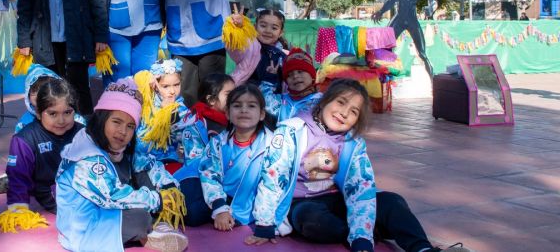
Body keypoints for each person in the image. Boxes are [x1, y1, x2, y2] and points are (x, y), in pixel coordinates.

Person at [246, 79, 470, 252]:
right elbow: (273, 177)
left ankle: (421, 248)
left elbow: (360, 188)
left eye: (353, 111)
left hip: (337, 198)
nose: (344, 113)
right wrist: (265, 224)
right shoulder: (292, 130)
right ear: (325, 101)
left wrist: (362, 241)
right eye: (341, 102)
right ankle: (362, 231)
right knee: (313, 222)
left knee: (392, 202)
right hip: (301, 203)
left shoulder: (353, 143)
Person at [55, 78, 188, 252]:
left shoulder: (115, 144)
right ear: (102, 118)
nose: (123, 131)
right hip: (84, 224)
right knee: (140, 218)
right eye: (116, 122)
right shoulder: (86, 156)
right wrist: (158, 200)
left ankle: (153, 227)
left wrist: (168, 187)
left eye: (130, 126)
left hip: (107, 210)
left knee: (141, 170)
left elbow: (147, 163)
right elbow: (112, 196)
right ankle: (149, 229)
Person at [180, 84, 273, 229]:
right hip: (213, 188)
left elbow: (271, 185)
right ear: (228, 114)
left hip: (245, 201)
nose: (243, 110)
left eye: (251, 106)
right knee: (192, 213)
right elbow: (209, 174)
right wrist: (220, 208)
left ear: (261, 114)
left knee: (195, 213)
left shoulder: (270, 145)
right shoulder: (219, 142)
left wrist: (265, 224)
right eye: (237, 105)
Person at [5, 79, 85, 214]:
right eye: (52, 114)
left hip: (77, 191)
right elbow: (18, 175)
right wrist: (18, 208)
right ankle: (7, 183)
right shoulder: (24, 140)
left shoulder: (84, 134)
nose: (61, 120)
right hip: (43, 192)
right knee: (17, 175)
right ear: (38, 113)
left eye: (67, 112)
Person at [135, 58, 205, 174]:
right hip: (144, 159)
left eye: (176, 85)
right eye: (165, 86)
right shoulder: (147, 104)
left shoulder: (181, 108)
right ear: (155, 85)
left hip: (170, 158)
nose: (172, 91)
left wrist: (171, 115)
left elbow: (185, 134)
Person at [372, 0, 436, 76]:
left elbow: (433, 0)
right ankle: (382, 80)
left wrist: (431, 8)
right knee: (385, 47)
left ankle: (434, 82)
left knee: (422, 53)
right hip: (400, 18)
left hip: (411, 19)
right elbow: (393, 0)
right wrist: (380, 11)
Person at [228, 9, 289, 91]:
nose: (268, 31)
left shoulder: (284, 55)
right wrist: (236, 28)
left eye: (274, 28)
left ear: (281, 32)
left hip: (273, 99)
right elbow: (234, 45)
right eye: (263, 26)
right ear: (254, 27)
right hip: (245, 94)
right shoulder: (249, 46)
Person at [260, 48, 322, 127]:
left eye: (300, 71)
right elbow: (265, 99)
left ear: (312, 76)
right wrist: (270, 78)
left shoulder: (320, 102)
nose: (295, 76)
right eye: (289, 75)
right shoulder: (282, 101)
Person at [188, 73, 235, 137]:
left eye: (235, 93)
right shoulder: (199, 122)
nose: (234, 97)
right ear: (211, 100)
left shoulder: (233, 119)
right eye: (229, 94)